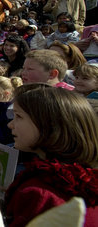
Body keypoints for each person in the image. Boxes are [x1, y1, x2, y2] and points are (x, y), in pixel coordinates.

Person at [5, 87, 98, 226]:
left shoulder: (40, 194)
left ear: (50, 126)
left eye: (19, 117)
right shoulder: (86, 180)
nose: (10, 124)